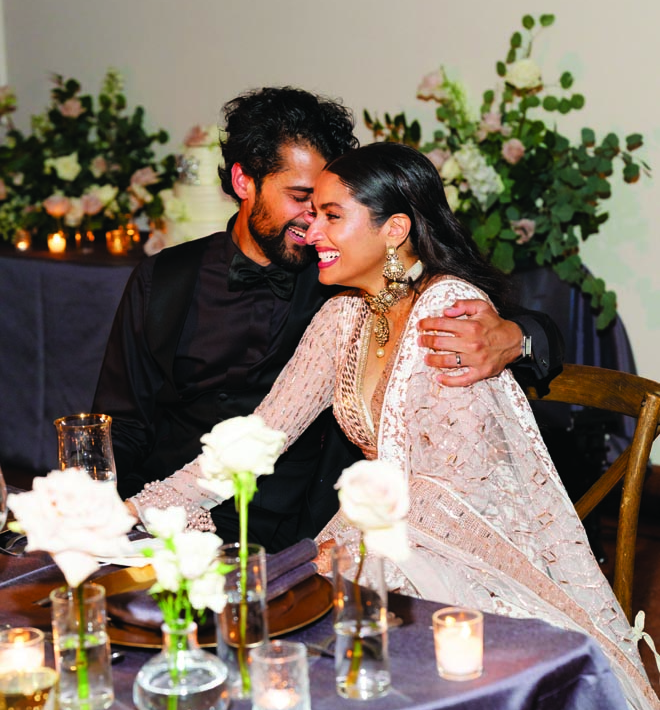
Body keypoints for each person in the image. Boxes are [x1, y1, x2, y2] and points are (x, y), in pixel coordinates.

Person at [133, 141, 659, 710]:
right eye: (312, 212)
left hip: (466, 562)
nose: (310, 230)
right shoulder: (340, 317)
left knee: (317, 640)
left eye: (332, 215)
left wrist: (349, 553)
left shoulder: (447, 314)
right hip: (385, 541)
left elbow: (456, 493)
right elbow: (258, 437)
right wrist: (151, 504)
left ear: (396, 230)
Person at [94, 87, 562, 550]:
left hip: (311, 527)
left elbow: (466, 321)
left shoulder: (357, 282)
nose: (312, 226)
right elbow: (127, 424)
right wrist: (120, 516)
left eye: (328, 210)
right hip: (190, 511)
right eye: (303, 199)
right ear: (243, 183)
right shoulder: (169, 279)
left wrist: (516, 336)